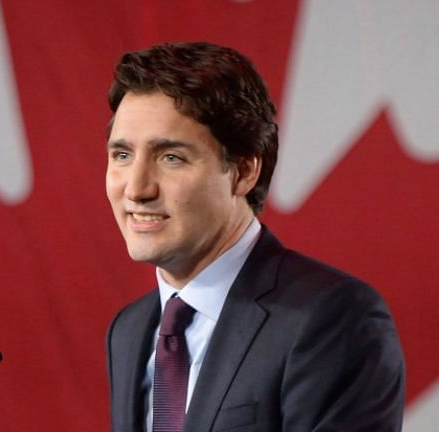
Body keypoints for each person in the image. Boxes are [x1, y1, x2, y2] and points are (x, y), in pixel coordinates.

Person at [103, 42, 405, 431]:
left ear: (244, 171)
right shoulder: (128, 330)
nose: (137, 189)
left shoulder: (333, 318)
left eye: (170, 157)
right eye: (122, 155)